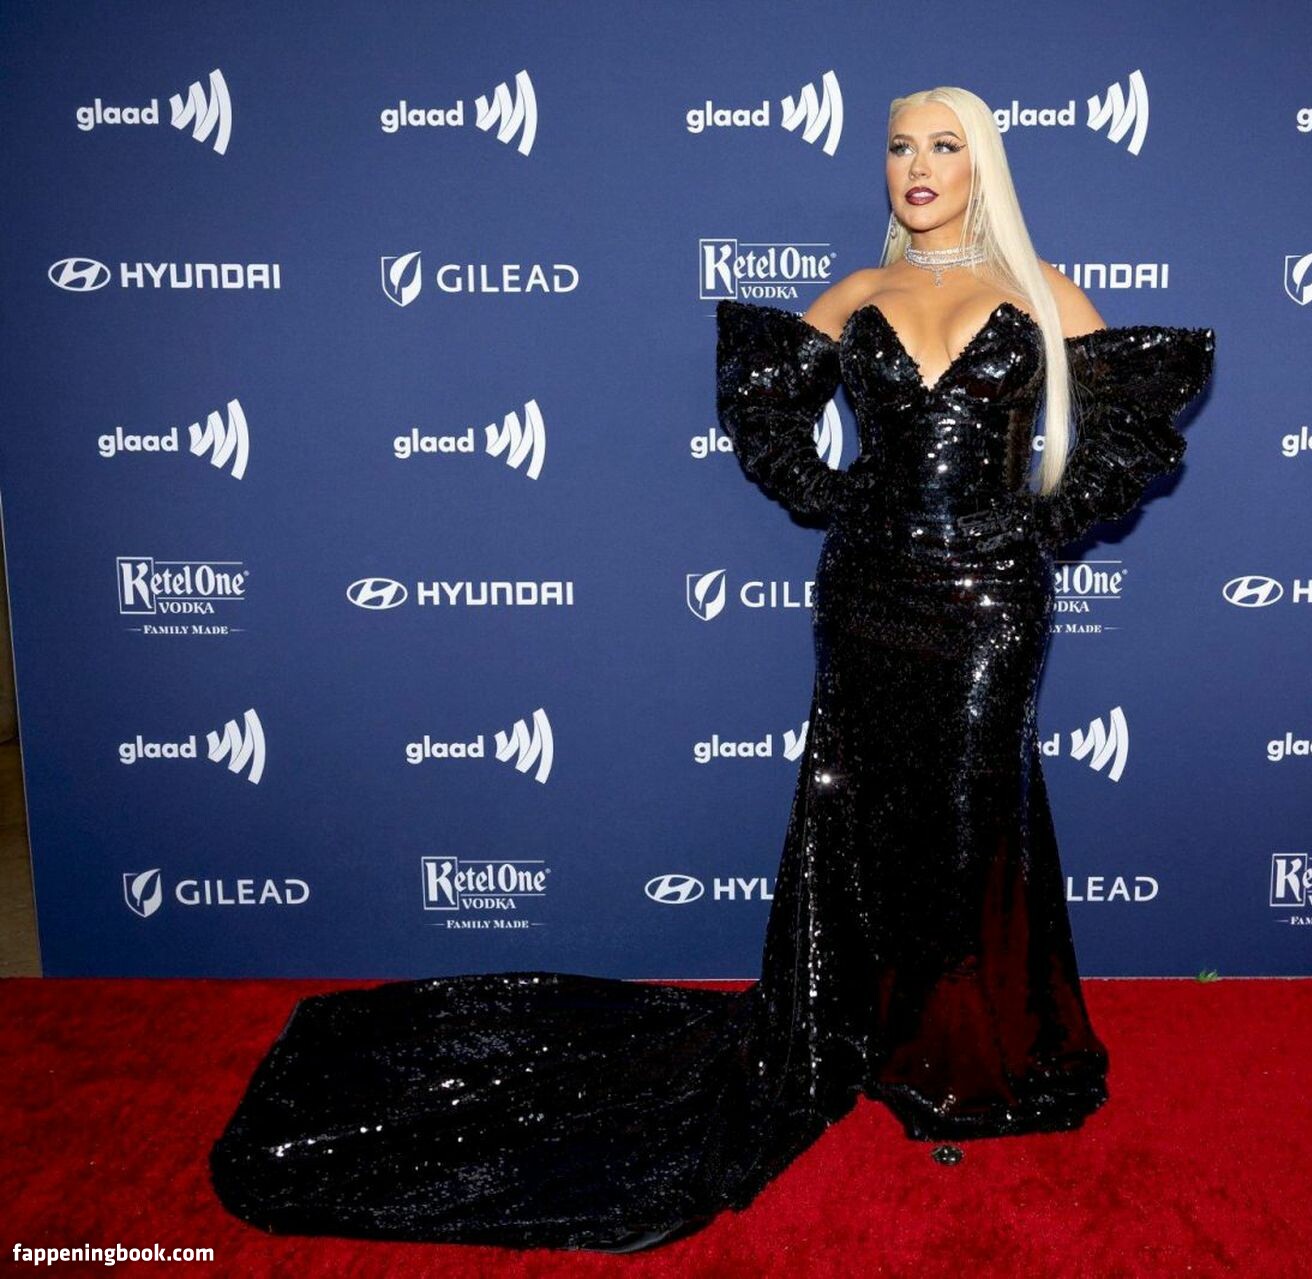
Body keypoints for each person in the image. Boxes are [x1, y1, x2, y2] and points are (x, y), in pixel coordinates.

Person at [207, 85, 1215, 1253]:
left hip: (990, 602)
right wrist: (841, 499)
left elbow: (1130, 436)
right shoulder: (857, 294)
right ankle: (875, 1029)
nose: (916, 166)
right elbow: (765, 413)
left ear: (981, 164)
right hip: (869, 593)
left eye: (943, 146)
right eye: (899, 146)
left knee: (969, 812)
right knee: (868, 808)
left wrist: (1029, 523)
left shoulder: (1044, 293)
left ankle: (965, 1050)